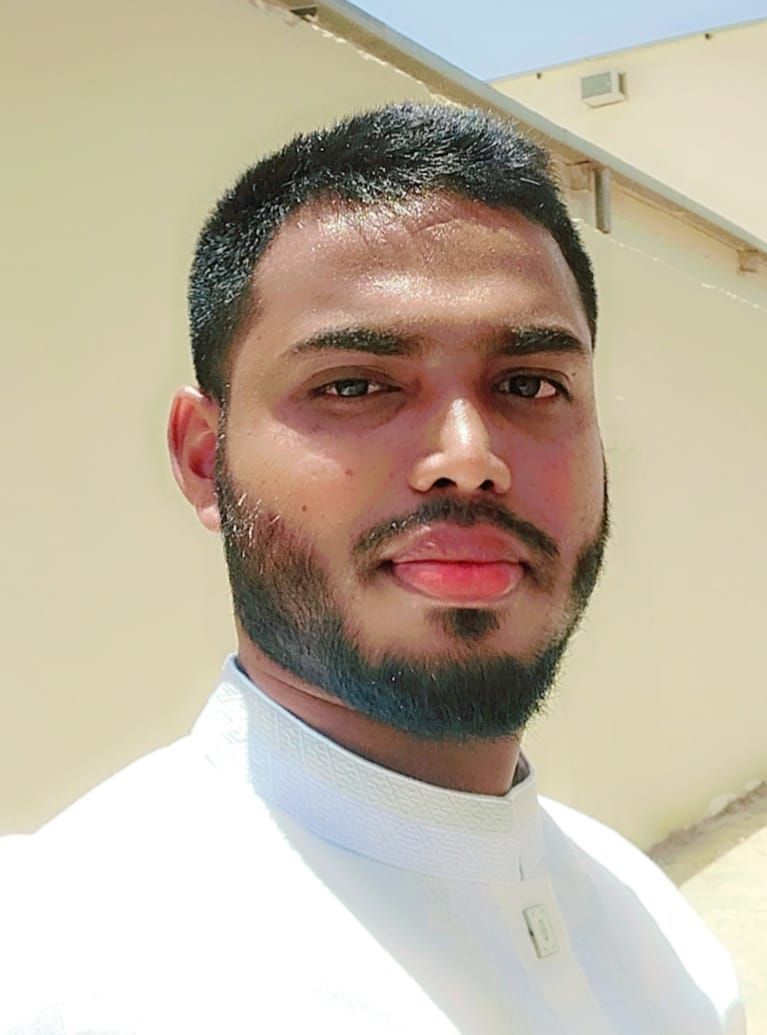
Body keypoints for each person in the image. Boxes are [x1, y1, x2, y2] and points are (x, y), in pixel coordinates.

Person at [0, 103, 744, 1034]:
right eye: (353, 385)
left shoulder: (661, 938)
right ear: (202, 458)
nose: (468, 456)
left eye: (530, 384)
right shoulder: (54, 964)